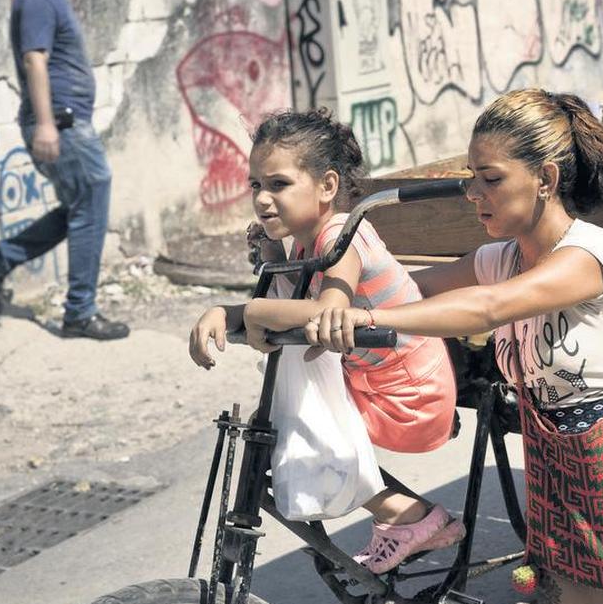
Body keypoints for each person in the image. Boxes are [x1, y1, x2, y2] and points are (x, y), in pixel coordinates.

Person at [307, 89, 603, 604]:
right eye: (471, 178)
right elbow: (408, 287)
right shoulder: (499, 257)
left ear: (545, 179)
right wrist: (312, 297)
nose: (473, 193)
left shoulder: (590, 254)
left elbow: (488, 308)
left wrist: (366, 320)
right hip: (563, 468)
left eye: (491, 179)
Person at [188, 109, 464, 574]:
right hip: (372, 379)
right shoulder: (302, 241)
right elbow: (287, 309)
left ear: (327, 186)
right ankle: (397, 512)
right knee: (281, 415)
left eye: (278, 184)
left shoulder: (341, 234)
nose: (262, 199)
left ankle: (408, 516)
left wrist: (247, 313)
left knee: (299, 423)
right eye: (256, 185)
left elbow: (327, 312)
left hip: (408, 394)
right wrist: (237, 301)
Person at [0, 0, 129, 340]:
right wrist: (45, 123)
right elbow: (34, 59)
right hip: (60, 121)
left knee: (81, 207)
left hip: (66, 120)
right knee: (92, 196)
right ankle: (79, 313)